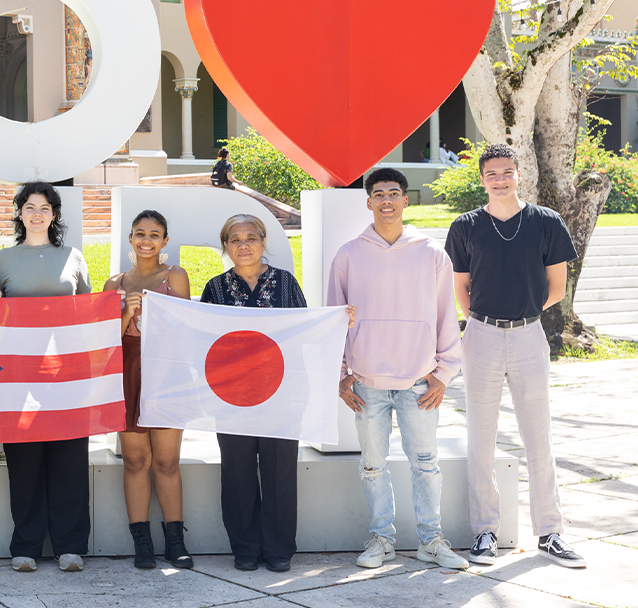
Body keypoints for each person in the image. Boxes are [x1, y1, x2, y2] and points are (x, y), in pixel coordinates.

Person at [444, 143, 585, 569]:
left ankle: (550, 533)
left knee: (537, 435)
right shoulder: (466, 226)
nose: (500, 179)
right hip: (482, 336)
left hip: (528, 336)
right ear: (482, 178)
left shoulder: (546, 222)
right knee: (481, 436)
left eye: (507, 171)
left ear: (518, 174)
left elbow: (556, 289)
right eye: (492, 173)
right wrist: (491, 320)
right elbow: (462, 291)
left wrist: (519, 313)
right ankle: (484, 531)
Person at [328, 168, 468, 571]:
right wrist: (340, 372)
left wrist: (444, 374)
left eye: (394, 193)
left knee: (426, 462)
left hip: (419, 381)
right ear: (368, 202)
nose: (386, 200)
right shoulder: (349, 254)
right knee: (373, 465)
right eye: (378, 194)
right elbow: (334, 315)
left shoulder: (431, 253)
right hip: (367, 381)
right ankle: (381, 539)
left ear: (406, 201)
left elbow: (446, 315)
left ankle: (431, 540)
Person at [199, 214, 320, 573]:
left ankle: (279, 548)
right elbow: (203, 339)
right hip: (232, 395)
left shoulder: (284, 283)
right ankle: (246, 546)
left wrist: (339, 320)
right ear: (226, 247)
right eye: (234, 239)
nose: (244, 244)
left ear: (264, 242)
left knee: (279, 470)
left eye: (251, 237)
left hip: (283, 391)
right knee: (236, 471)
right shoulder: (216, 288)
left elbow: (303, 330)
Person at [0, 182, 93, 573]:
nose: (36, 214)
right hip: (19, 375)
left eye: (44, 208)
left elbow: (88, 311)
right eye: (29, 207)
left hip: (66, 375)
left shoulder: (73, 257)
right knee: (25, 461)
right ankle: (26, 545)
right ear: (19, 213)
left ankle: (70, 545)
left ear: (54, 214)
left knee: (69, 459)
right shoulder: (3, 260)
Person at [102, 210, 193, 570]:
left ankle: (176, 540)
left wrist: (158, 310)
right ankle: (141, 541)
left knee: (167, 461)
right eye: (140, 233)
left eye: (154, 234)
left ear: (165, 241)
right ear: (130, 239)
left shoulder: (176, 276)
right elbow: (105, 338)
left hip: (166, 368)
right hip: (128, 368)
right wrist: (126, 312)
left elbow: (184, 328)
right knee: (136, 460)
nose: (146, 240)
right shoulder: (114, 283)